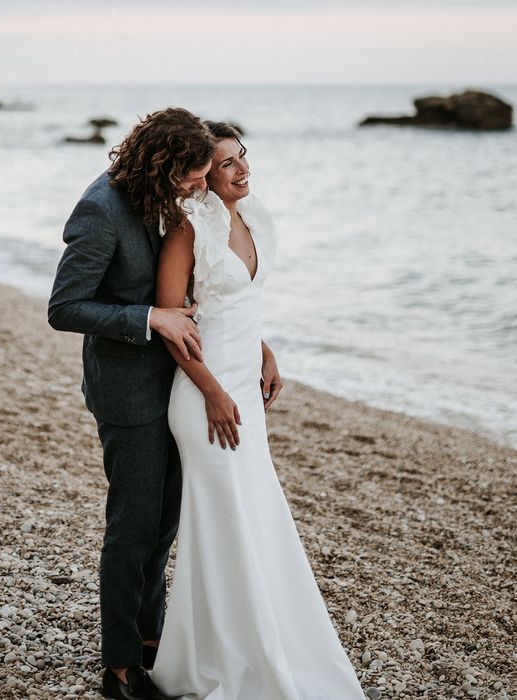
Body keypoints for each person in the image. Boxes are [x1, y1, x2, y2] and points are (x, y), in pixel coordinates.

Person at [149, 122, 366, 699]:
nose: (242, 169)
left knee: (254, 512)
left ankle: (259, 640)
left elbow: (238, 301)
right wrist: (214, 392)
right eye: (225, 164)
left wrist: (264, 351)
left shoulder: (251, 216)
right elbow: (174, 326)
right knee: (221, 519)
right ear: (202, 173)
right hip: (203, 395)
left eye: (242, 157)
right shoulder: (187, 228)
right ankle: (220, 660)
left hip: (244, 383)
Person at [48, 107, 216, 700]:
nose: (200, 186)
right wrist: (150, 317)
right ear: (162, 165)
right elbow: (65, 308)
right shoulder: (100, 210)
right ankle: (118, 666)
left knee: (164, 522)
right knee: (132, 528)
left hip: (173, 383)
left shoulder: (163, 196)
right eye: (192, 177)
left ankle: (150, 640)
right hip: (126, 390)